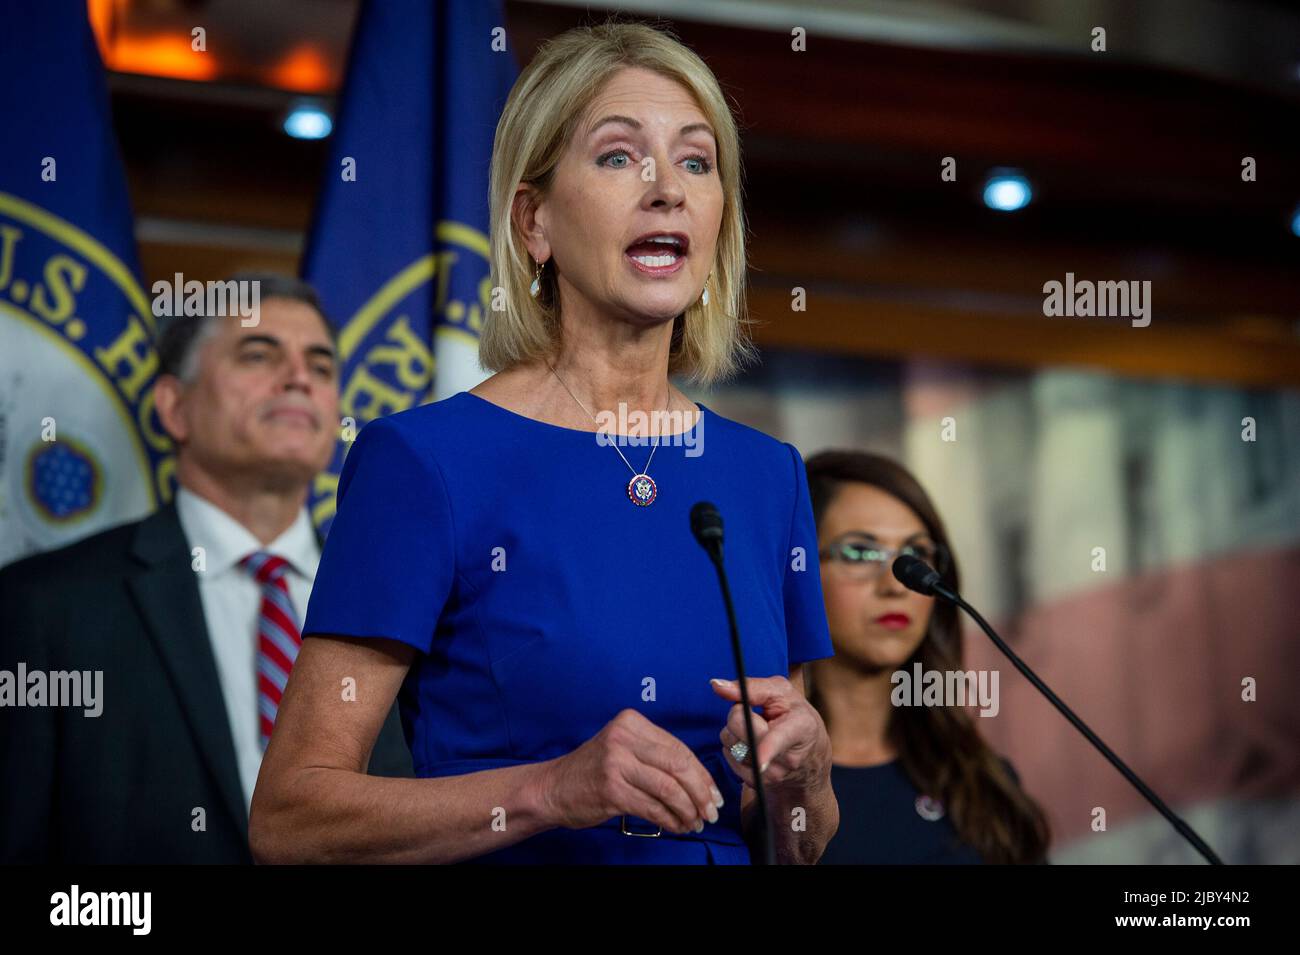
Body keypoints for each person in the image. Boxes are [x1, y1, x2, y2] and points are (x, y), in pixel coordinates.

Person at [249, 22, 839, 865]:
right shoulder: (425, 462)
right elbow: (291, 817)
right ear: (535, 222)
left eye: (697, 161)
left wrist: (805, 783)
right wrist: (549, 790)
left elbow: (797, 844)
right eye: (617, 155)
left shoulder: (766, 477)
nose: (667, 187)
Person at [0, 273, 411, 864]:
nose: (299, 379)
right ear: (175, 407)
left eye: (320, 367)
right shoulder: (45, 606)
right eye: (258, 355)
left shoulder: (401, 605)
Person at [804, 450, 1051, 864]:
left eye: (915, 555)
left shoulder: (981, 780)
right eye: (861, 553)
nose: (896, 585)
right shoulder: (759, 788)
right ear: (798, 570)